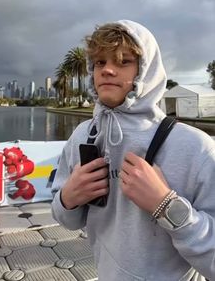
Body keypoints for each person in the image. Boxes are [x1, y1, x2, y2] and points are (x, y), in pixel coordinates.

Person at [51, 19, 215, 281]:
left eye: (123, 61)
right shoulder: (83, 136)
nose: (107, 70)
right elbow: (67, 220)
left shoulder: (197, 147)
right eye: (100, 62)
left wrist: (166, 206)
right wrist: (68, 197)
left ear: (146, 70)